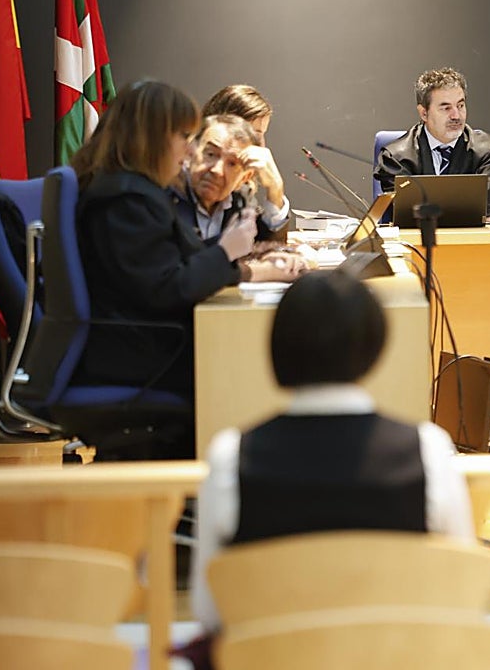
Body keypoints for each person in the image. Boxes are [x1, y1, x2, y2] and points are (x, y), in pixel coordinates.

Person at [190, 270, 474, 635]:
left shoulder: (230, 456)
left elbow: (209, 609)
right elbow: (461, 591)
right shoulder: (428, 449)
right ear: (375, 345)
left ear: (279, 345)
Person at [70, 81, 296, 457]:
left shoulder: (127, 190)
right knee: (260, 374)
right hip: (141, 359)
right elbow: (167, 287)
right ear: (151, 137)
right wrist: (227, 253)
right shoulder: (126, 199)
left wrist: (250, 267)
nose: (189, 150)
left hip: (142, 346)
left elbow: (172, 264)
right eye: (184, 137)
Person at [374, 67, 490, 222]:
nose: (456, 116)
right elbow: (409, 214)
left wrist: (479, 213)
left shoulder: (488, 151)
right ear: (424, 113)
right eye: (446, 108)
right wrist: (477, 216)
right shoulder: (395, 158)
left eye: (460, 105)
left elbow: (485, 202)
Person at [202, 84, 290, 233]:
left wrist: (275, 189)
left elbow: (258, 244)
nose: (262, 146)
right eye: (253, 134)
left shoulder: (242, 191)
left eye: (262, 134)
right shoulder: (183, 190)